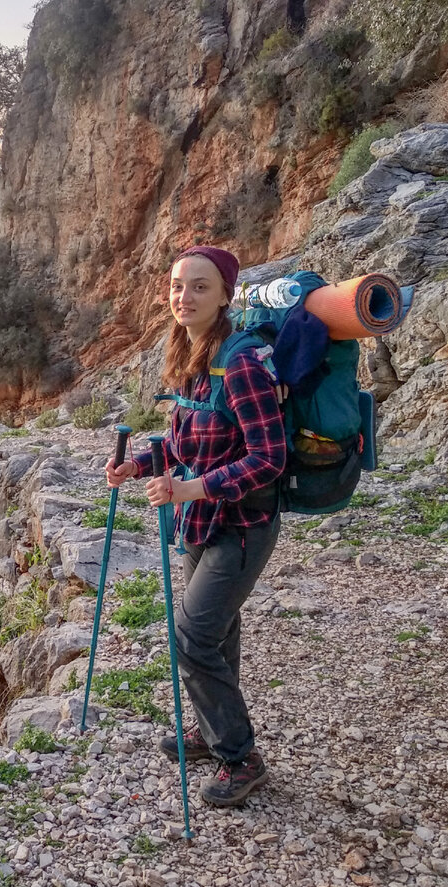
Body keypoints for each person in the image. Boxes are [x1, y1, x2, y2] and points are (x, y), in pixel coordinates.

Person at [105, 245, 287, 807]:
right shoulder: (189, 355)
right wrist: (139, 465)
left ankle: (241, 757)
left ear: (226, 295)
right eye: (178, 285)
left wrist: (190, 487)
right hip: (199, 521)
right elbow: (187, 443)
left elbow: (270, 457)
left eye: (200, 287)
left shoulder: (243, 364)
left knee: (191, 637)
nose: (184, 296)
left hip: (241, 523)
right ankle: (215, 731)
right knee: (216, 633)